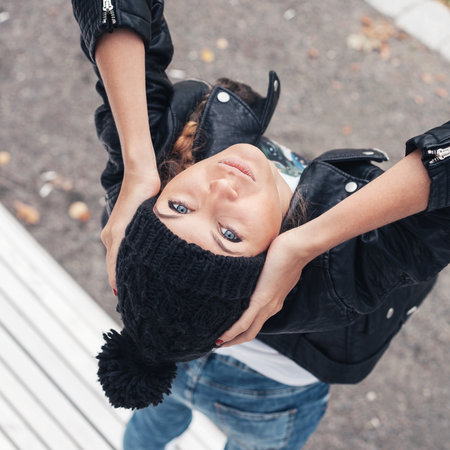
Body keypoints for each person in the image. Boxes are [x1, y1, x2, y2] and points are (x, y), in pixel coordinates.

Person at [71, 1, 450, 449]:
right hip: (269, 395)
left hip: (170, 359)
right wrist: (309, 243)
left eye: (178, 207)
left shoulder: (154, 169)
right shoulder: (347, 270)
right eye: (228, 235)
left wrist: (136, 161)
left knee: (154, 420)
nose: (219, 191)